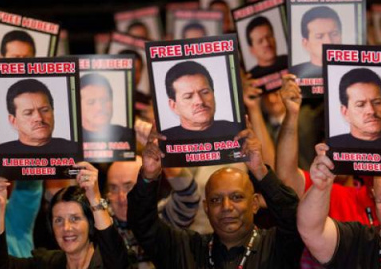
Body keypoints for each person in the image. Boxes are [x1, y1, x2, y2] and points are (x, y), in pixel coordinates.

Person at [127, 122, 304, 268]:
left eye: (237, 197)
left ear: (255, 203)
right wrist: (149, 175)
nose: (226, 207)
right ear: (206, 207)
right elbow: (143, 224)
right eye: (215, 200)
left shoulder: (277, 245)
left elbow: (292, 215)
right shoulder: (187, 249)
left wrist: (260, 171)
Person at [0, 162, 129, 269]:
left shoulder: (108, 261)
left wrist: (95, 199)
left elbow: (116, 256)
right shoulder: (47, 263)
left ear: (90, 223)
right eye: (58, 220)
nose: (66, 227)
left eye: (75, 218)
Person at [106, 158, 201, 268]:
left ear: (145, 187)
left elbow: (189, 196)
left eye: (129, 187)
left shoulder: (161, 220)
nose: (121, 198)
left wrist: (163, 156)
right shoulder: (100, 224)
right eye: (113, 188)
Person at [329, 68, 381, 149]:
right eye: (360, 105)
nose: (371, 111)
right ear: (345, 112)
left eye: (377, 103)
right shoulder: (331, 147)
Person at [162, 60, 240, 140]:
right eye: (188, 97)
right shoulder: (163, 140)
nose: (200, 101)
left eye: (205, 92)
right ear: (174, 106)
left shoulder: (238, 132)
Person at [0, 78, 76, 154]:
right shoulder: (0, 153)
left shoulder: (74, 149)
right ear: (13, 121)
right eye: (28, 113)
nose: (39, 118)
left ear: (53, 111)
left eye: (45, 110)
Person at [80, 73, 134, 152]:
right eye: (91, 102)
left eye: (104, 100)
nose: (100, 108)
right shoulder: (70, 143)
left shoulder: (129, 135)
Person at [291, 6, 342, 79]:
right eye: (319, 36)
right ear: (306, 44)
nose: (329, 41)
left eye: (334, 34)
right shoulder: (293, 75)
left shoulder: (354, 68)